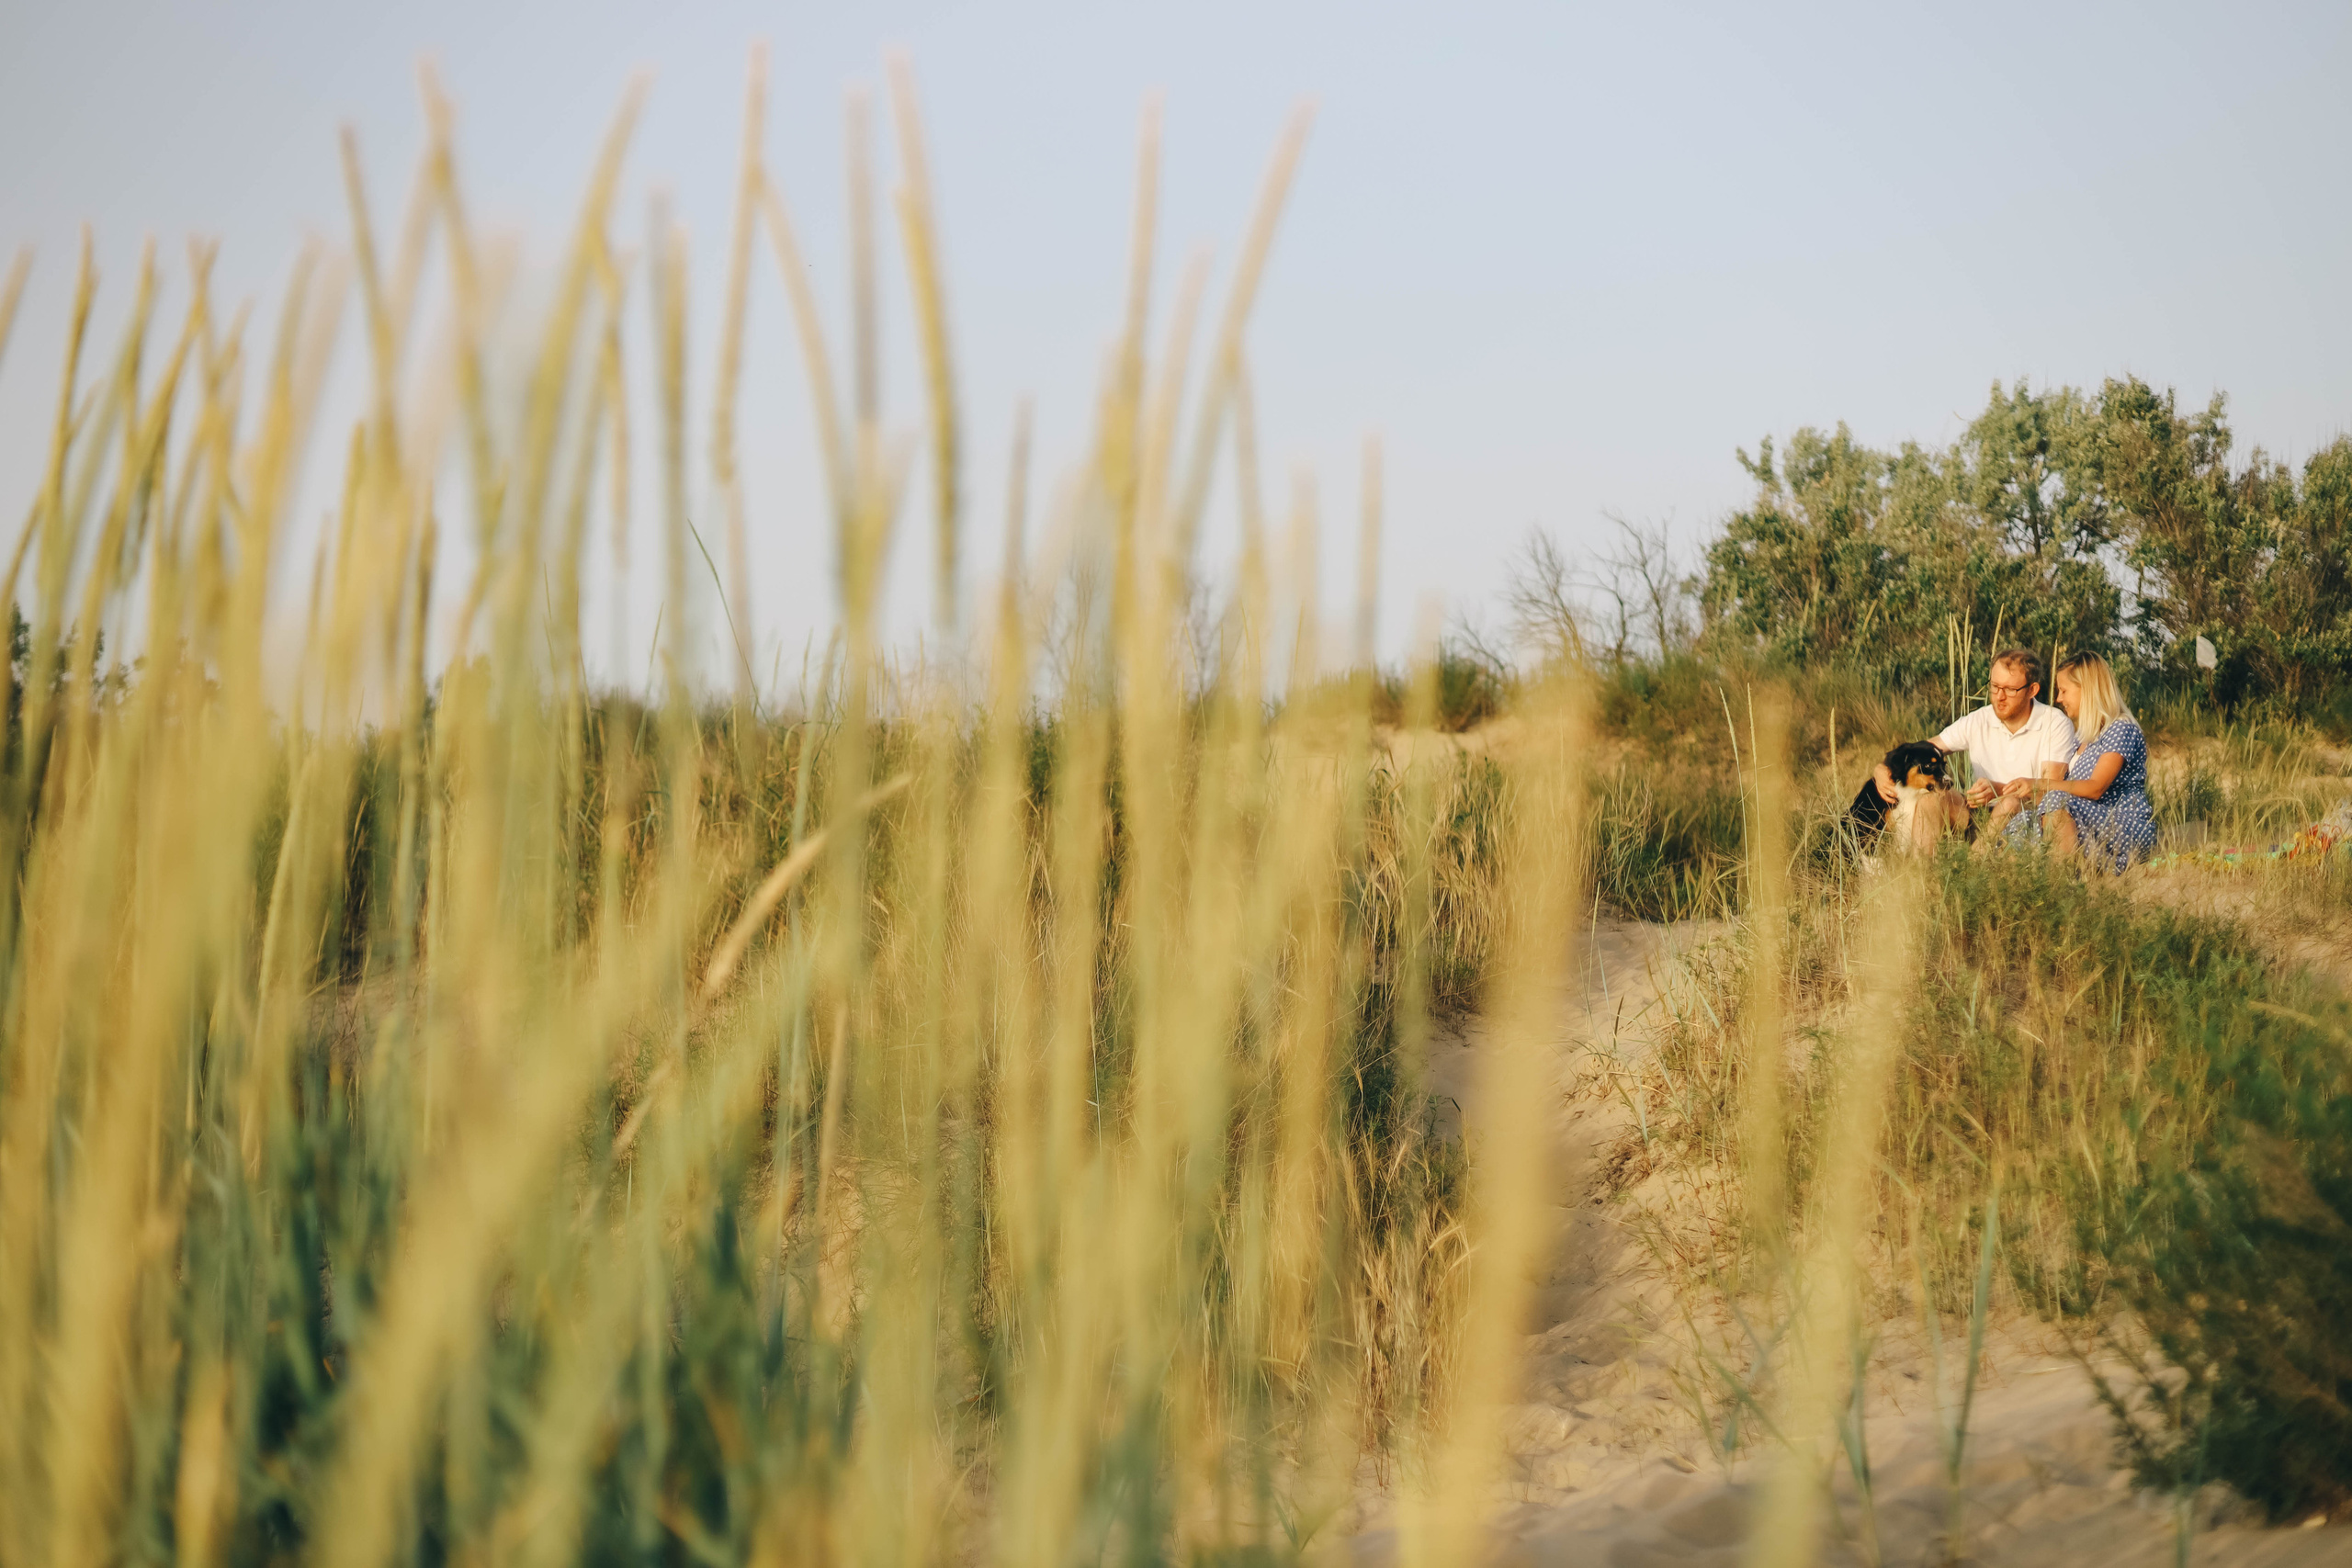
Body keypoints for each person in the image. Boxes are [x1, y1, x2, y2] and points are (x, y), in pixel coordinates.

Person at [1873, 647, 2077, 835]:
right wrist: (1882, 769)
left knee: (2009, 804)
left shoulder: (2054, 723)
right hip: (1977, 813)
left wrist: (1998, 790)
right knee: (1932, 798)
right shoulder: (1979, 719)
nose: (1999, 697)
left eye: (2009, 689)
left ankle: (1976, 857)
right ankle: (1921, 863)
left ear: (2032, 690)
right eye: (1995, 686)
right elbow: (1921, 751)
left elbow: (2049, 793)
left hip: (2026, 817)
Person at [2030, 650, 2156, 872]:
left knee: (2055, 801)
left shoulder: (2121, 729)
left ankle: (2063, 878)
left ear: (2087, 690)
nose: (2059, 699)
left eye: (2064, 691)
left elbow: (2096, 788)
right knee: (2024, 820)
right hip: (2090, 821)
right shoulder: (2081, 737)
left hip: (2124, 825)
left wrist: (2041, 784)